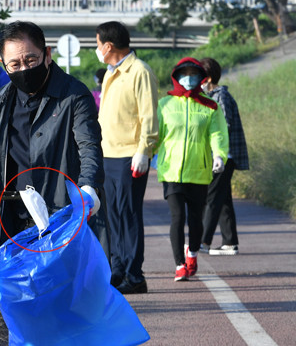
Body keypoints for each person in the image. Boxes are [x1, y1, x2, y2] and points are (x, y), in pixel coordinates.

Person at [0, 21, 105, 294]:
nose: (24, 69)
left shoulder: (73, 96)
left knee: (60, 299)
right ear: (4, 65)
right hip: (8, 218)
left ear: (47, 55)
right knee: (14, 303)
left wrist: (89, 188)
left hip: (58, 217)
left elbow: (89, 147)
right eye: (14, 65)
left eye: (31, 60)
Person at [96, 21, 159, 294]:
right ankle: (118, 270)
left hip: (129, 156)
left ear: (108, 46)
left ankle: (135, 276)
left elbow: (149, 116)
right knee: (112, 217)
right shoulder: (111, 73)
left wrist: (143, 151)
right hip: (108, 154)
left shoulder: (139, 71)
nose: (96, 49)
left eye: (98, 44)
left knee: (128, 215)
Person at [156, 57, 229, 281]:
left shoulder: (209, 106)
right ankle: (179, 264)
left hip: (198, 172)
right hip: (171, 171)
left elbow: (217, 134)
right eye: (184, 74)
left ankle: (193, 253)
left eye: (194, 74)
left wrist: (219, 155)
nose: (189, 78)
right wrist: (141, 154)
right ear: (176, 77)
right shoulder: (164, 104)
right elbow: (155, 135)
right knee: (177, 218)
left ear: (200, 78)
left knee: (196, 220)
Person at [200, 58, 249, 256]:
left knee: (211, 197)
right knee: (223, 198)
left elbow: (224, 126)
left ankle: (203, 242)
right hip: (222, 155)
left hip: (223, 156)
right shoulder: (214, 96)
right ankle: (230, 242)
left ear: (209, 78)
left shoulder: (221, 96)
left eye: (200, 77)